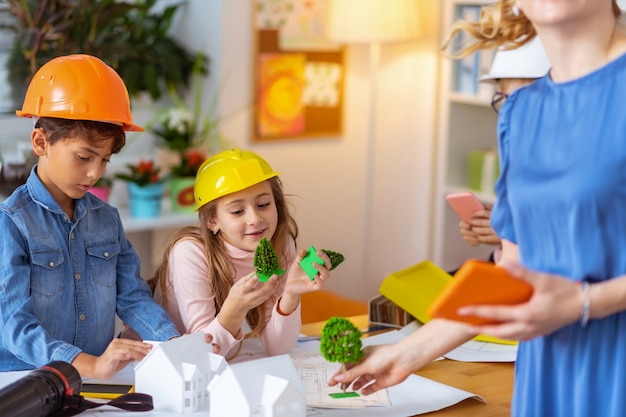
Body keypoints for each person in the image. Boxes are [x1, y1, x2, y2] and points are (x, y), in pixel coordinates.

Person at [330, 1, 626, 415]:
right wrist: (406, 353)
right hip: (547, 371)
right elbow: (511, 279)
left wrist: (583, 303)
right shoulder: (521, 114)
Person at [0, 54, 215, 380]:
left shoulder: (107, 219)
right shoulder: (11, 223)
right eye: (84, 157)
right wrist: (87, 363)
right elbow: (14, 325)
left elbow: (132, 298)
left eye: (105, 160)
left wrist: (173, 344)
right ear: (40, 142)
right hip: (25, 381)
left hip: (96, 382)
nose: (94, 173)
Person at [151, 148, 332, 359]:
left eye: (263, 204)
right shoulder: (190, 253)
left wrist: (290, 295)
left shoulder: (281, 246)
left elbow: (278, 349)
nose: (255, 218)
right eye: (237, 211)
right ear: (212, 221)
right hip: (154, 361)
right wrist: (235, 307)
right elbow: (204, 353)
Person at [458, 37, 550, 264]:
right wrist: (489, 226)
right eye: (503, 98)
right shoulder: (521, 152)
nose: (507, 111)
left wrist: (508, 233)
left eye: (515, 99)